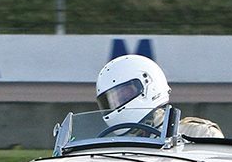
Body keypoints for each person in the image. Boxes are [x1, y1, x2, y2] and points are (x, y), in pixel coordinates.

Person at [95, 55, 223, 138]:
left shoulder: (201, 133)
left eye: (124, 93)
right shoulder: (116, 149)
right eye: (111, 100)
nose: (116, 103)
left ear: (148, 84)